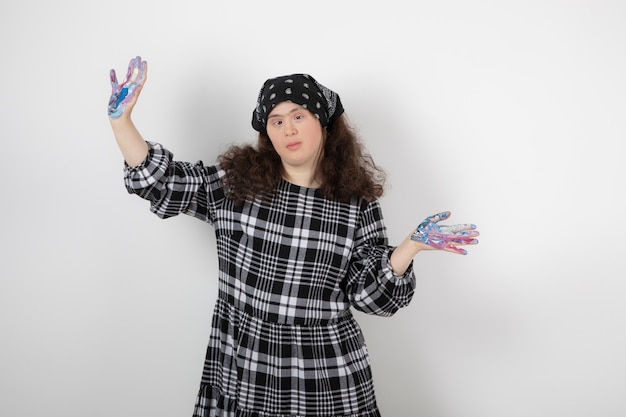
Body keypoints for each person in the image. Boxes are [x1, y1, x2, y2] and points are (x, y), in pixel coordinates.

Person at [108, 56, 479, 417]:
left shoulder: (355, 204)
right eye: (277, 120)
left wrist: (409, 246)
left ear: (324, 124)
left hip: (324, 379)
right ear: (266, 132)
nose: (288, 130)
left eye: (299, 116)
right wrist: (122, 122)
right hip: (244, 368)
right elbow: (164, 182)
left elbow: (371, 296)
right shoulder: (236, 185)